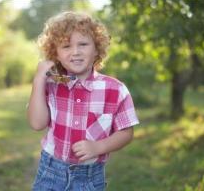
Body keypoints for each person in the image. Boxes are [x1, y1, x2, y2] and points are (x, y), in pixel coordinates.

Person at [26, 12, 139, 190]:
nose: (75, 52)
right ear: (55, 53)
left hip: (89, 178)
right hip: (50, 172)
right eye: (66, 46)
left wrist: (98, 147)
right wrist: (39, 79)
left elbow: (126, 133)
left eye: (83, 44)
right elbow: (37, 123)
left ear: (96, 49)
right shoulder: (52, 84)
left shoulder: (115, 90)